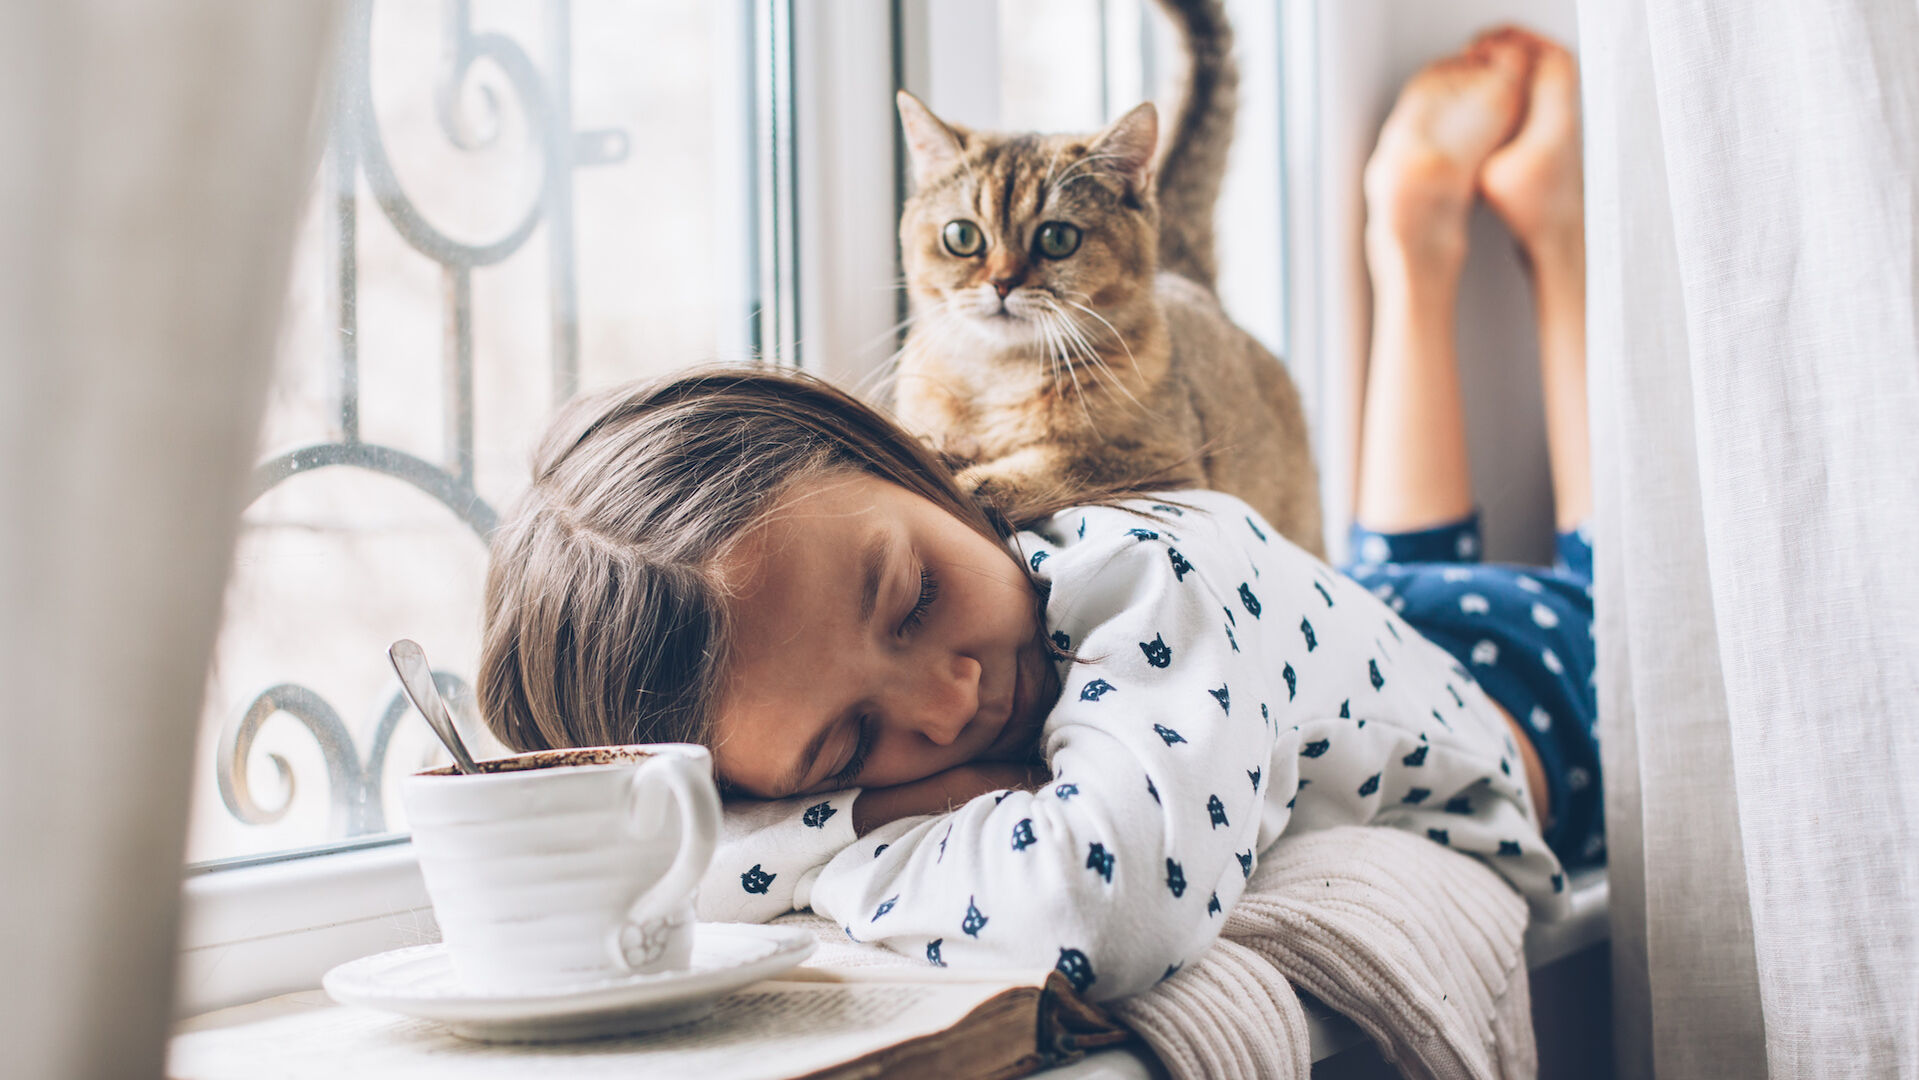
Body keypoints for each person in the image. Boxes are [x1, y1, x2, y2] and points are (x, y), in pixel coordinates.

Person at [474, 27, 1592, 1003]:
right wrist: (857, 817)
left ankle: (1530, 238)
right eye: (848, 744)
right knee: (1378, 569)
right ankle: (1417, 249)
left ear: (917, 463)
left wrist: (842, 836)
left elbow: (1098, 913)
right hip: (1343, 632)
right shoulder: (905, 563)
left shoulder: (1161, 575)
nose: (950, 701)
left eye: (913, 599)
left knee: (1614, 583)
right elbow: (668, 869)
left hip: (1529, 693)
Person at [1346, 26, 1603, 868]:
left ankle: (1497, 254)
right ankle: (1445, 262)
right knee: (1631, 648)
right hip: (1370, 636)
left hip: (1479, 717)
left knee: (1629, 650)